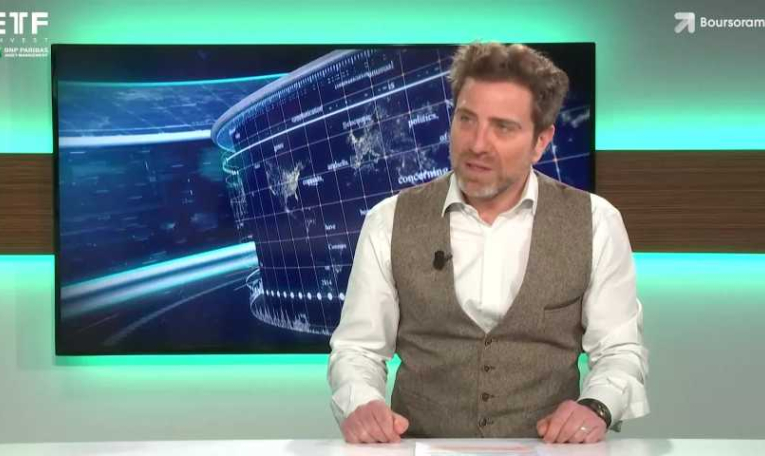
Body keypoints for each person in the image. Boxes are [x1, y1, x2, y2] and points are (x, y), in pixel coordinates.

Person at [328, 42, 648, 445]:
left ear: (541, 141)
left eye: (503, 127)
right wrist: (362, 403)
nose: (477, 144)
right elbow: (358, 349)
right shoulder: (388, 221)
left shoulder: (596, 222)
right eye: (466, 119)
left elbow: (619, 350)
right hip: (420, 447)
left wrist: (596, 406)